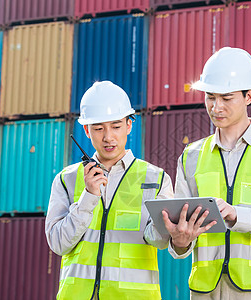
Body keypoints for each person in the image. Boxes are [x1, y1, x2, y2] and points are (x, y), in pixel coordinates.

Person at [163, 47, 251, 299]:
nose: (216, 107)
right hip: (203, 291)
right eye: (210, 97)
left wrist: (237, 214)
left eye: (227, 98)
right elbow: (181, 245)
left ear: (249, 96)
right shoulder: (191, 155)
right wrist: (179, 241)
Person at [45, 81, 173, 300]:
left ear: (129, 125)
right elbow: (58, 244)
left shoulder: (156, 179)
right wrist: (88, 197)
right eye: (98, 128)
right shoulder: (66, 179)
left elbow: (161, 241)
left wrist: (178, 236)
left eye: (116, 126)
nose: (108, 137)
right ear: (86, 130)